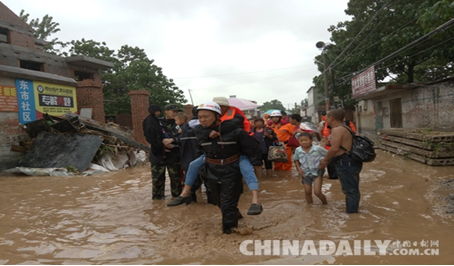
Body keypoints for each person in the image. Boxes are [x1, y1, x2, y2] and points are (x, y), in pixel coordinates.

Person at [170, 102, 263, 234]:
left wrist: (253, 166)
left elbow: (253, 149)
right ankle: (236, 216)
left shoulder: (236, 132)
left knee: (227, 205)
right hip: (211, 171)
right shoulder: (200, 133)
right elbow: (200, 149)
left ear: (216, 116)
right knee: (218, 202)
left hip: (231, 170)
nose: (202, 120)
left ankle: (229, 236)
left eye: (206, 116)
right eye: (200, 117)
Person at [318, 109, 363, 213]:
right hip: (350, 160)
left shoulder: (338, 130)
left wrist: (325, 161)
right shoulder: (345, 127)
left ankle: (352, 215)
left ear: (331, 118)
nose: (325, 120)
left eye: (326, 117)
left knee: (350, 190)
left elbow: (334, 148)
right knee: (352, 188)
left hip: (345, 161)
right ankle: (353, 211)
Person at [143, 104, 183, 200]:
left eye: (177, 112)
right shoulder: (156, 121)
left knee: (176, 180)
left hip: (174, 154)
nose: (175, 113)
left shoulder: (179, 123)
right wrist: (161, 143)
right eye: (173, 111)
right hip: (158, 154)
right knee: (157, 181)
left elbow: (185, 136)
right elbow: (149, 135)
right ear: (166, 111)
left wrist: (172, 140)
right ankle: (157, 204)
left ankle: (177, 201)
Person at [293, 133, 328, 205]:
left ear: (311, 140)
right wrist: (299, 169)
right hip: (305, 173)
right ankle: (310, 207)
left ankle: (325, 204)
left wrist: (324, 163)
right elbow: (296, 159)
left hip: (317, 172)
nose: (303, 142)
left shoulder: (317, 148)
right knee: (307, 192)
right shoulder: (298, 150)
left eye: (306, 140)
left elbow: (328, 155)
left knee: (317, 192)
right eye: (301, 141)